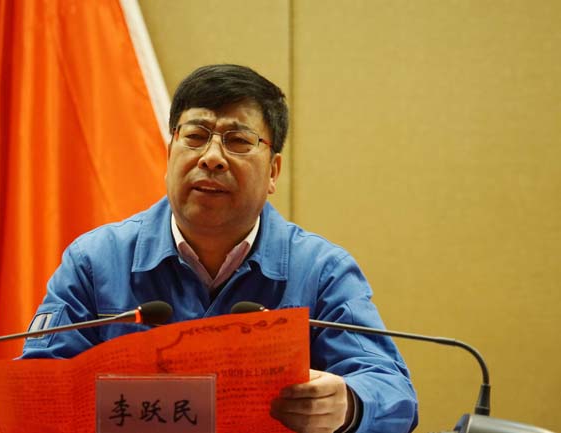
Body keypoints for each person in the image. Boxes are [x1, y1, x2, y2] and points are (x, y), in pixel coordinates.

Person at [21, 64, 418, 433]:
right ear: (170, 152)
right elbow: (37, 392)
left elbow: (392, 390)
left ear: (273, 171)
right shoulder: (95, 261)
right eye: (195, 137)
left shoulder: (321, 271)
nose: (211, 158)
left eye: (238, 141)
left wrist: (349, 405)